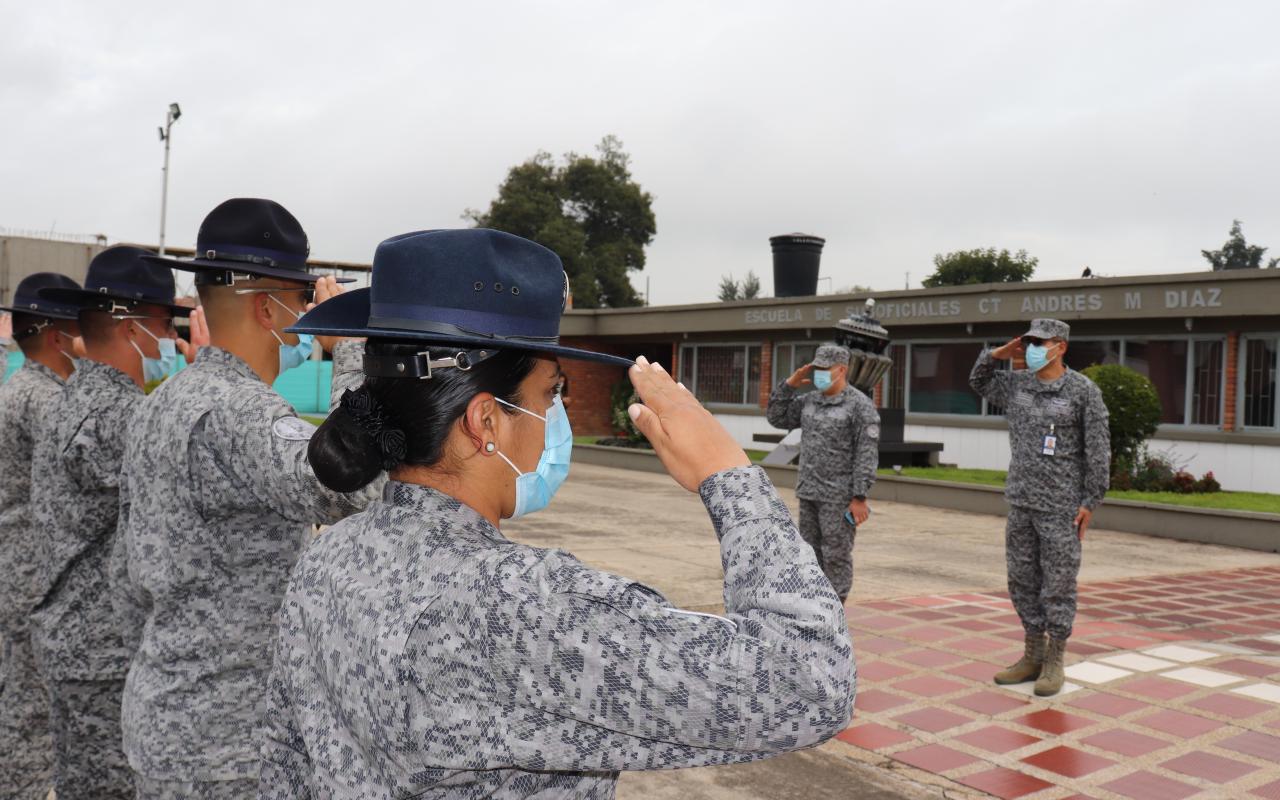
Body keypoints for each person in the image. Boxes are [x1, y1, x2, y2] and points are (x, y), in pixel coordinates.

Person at [256, 229, 855, 799]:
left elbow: (283, 761)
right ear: (485, 421)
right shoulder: (519, 606)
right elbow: (811, 679)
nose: (555, 414)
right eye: (550, 393)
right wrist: (730, 477)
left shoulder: (330, 554)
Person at [114, 198, 381, 798]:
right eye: (303, 299)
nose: (306, 317)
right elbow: (352, 482)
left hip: (167, 711)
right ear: (268, 307)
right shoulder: (238, 411)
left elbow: (124, 573)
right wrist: (353, 348)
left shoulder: (162, 402)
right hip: (227, 745)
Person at [28, 247, 201, 798]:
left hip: (80, 642)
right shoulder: (116, 414)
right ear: (134, 329)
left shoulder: (78, 395)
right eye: (165, 326)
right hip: (101, 651)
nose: (171, 341)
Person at [970, 318, 1110, 696]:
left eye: (1039, 341)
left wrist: (1090, 501)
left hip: (1062, 507)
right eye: (1028, 340)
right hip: (1022, 500)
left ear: (1060, 346)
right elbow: (979, 383)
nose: (1031, 347)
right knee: (1022, 579)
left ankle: (1055, 660)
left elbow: (1098, 451)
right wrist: (995, 354)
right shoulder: (1017, 385)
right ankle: (1031, 654)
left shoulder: (1083, 391)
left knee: (1058, 585)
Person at [0, 272, 84, 797]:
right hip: (31, 578)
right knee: (29, 713)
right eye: (82, 328)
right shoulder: (43, 401)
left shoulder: (24, 389)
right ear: (57, 335)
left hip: (19, 569)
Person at [766, 344, 880, 602]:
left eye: (824, 369)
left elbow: (866, 452)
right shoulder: (810, 401)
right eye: (816, 369)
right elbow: (776, 417)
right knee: (809, 554)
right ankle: (814, 606)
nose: (819, 375)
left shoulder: (859, 406)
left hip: (839, 497)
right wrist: (790, 384)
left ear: (841, 369)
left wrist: (860, 496)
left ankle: (836, 608)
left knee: (836, 555)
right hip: (809, 492)